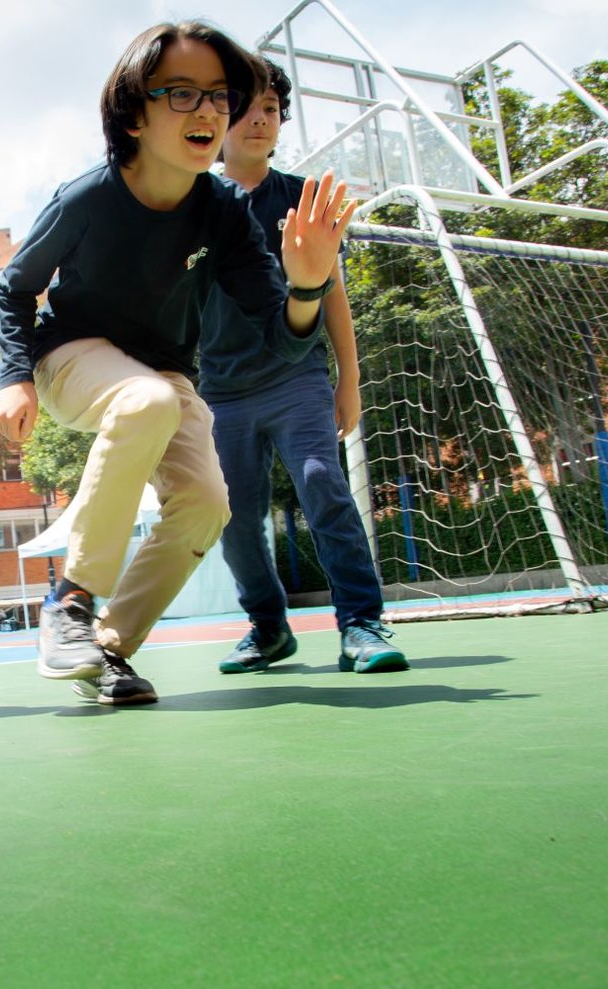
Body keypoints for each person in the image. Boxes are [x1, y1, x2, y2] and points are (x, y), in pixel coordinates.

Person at [0, 21, 354, 705]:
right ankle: (69, 604)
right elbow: (14, 285)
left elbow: (283, 336)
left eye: (219, 96)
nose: (210, 112)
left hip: (163, 373)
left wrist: (307, 284)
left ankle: (105, 649)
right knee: (146, 402)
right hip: (72, 355)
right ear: (134, 112)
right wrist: (14, 377)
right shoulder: (87, 198)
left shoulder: (222, 213)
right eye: (182, 94)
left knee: (206, 506)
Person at [199, 58, 408, 677]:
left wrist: (350, 378)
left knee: (323, 482)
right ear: (217, 118)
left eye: (271, 109)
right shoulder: (193, 203)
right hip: (223, 393)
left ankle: (361, 624)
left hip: (297, 380)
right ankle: (267, 628)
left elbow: (333, 291)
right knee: (233, 516)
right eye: (247, 108)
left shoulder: (302, 198)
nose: (260, 119)